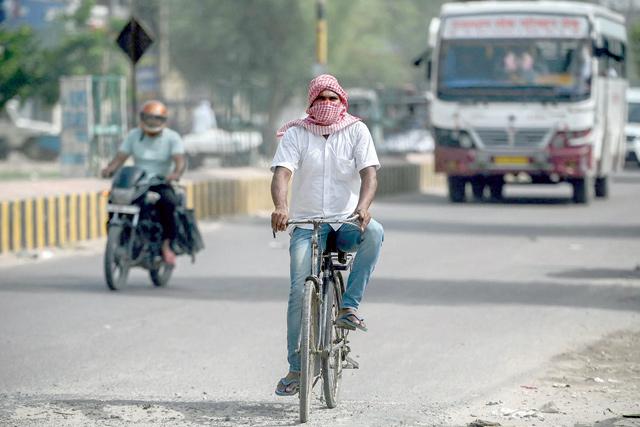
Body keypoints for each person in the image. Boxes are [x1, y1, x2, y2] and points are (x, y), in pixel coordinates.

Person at [270, 74, 384, 396]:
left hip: (346, 222)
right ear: (311, 103)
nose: (328, 104)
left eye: (334, 99)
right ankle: (296, 367)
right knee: (298, 289)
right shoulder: (296, 134)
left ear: (343, 101)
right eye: (321, 98)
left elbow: (369, 175)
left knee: (374, 232)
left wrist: (363, 207)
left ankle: (348, 308)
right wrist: (281, 206)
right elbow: (282, 173)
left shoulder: (356, 131)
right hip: (306, 225)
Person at [101, 100, 186, 265]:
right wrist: (109, 169)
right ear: (142, 118)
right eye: (148, 118)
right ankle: (119, 239)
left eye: (156, 119)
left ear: (163, 120)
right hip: (137, 181)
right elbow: (120, 158)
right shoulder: (134, 135)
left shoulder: (172, 138)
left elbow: (179, 160)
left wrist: (175, 173)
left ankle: (166, 245)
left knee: (169, 203)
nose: (152, 122)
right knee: (115, 200)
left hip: (160, 182)